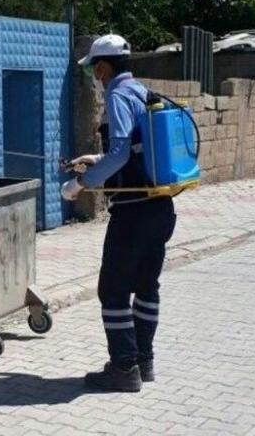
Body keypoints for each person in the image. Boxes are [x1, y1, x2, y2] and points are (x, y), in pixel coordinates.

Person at [61, 34, 177, 393]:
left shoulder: (116, 94)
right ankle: (144, 361)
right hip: (160, 207)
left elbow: (122, 153)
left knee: (111, 290)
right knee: (145, 286)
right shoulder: (143, 92)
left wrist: (82, 184)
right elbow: (135, 149)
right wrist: (95, 160)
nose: (96, 78)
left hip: (133, 213)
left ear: (101, 67)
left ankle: (124, 369)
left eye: (95, 71)